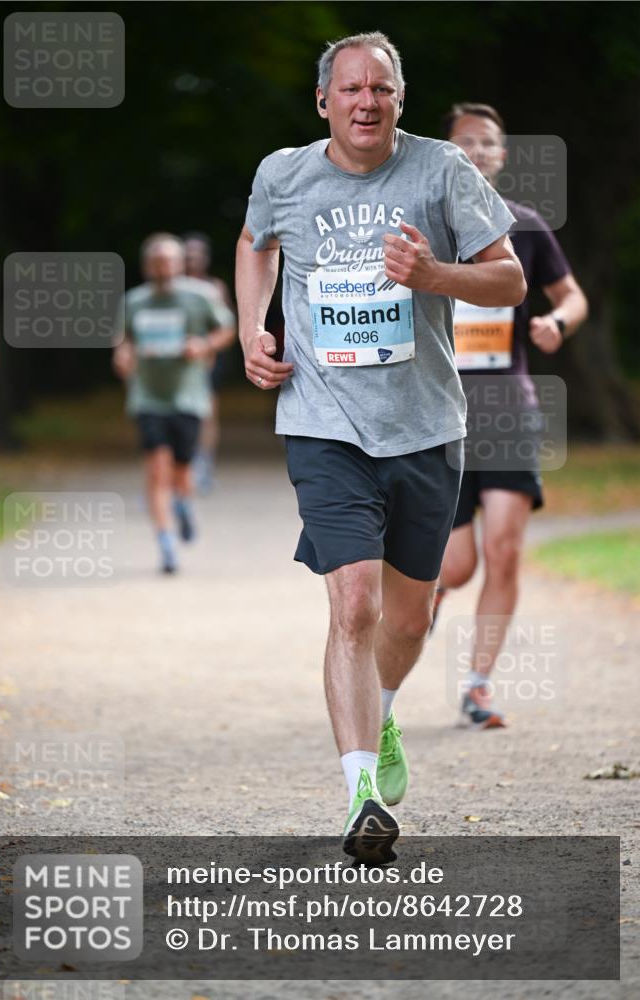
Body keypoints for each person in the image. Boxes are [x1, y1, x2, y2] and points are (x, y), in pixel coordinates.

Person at [236, 33, 526, 862]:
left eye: (383, 89)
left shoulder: (440, 170)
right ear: (323, 101)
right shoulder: (283, 173)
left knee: (408, 615)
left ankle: (384, 707)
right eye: (352, 88)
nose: (367, 101)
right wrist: (252, 328)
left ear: (400, 99)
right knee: (353, 604)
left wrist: (434, 276)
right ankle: (361, 793)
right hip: (322, 422)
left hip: (427, 426)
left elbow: (506, 280)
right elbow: (255, 245)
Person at [435, 104, 588, 728]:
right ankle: (433, 592)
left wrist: (557, 321)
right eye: (464, 142)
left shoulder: (524, 227)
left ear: (502, 156)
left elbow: (572, 295)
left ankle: (477, 686)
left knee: (503, 550)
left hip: (508, 412)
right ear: (447, 153)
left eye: (488, 143)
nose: (476, 151)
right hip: (439, 416)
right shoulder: (426, 228)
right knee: (458, 564)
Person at [113, 233, 235, 573]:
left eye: (168, 260)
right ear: (146, 266)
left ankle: (183, 505)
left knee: (182, 471)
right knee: (156, 467)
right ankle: (166, 543)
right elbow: (123, 338)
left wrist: (204, 345)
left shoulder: (201, 297)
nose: (162, 267)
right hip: (147, 396)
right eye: (156, 261)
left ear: (180, 264)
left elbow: (226, 329)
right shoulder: (134, 301)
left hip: (188, 396)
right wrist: (122, 355)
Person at [183, 232, 234, 494]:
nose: (193, 259)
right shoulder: (171, 287)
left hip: (207, 360)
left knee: (208, 413)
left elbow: (226, 326)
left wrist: (209, 346)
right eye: (188, 254)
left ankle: (203, 465)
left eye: (197, 254)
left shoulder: (215, 287)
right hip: (175, 362)